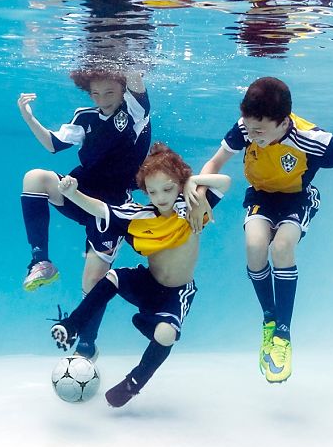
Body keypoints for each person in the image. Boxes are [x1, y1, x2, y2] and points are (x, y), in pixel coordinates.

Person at [190, 76, 333, 383]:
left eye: (259, 131)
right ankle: (270, 321)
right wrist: (201, 195)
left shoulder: (309, 138)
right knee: (254, 247)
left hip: (297, 199)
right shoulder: (246, 127)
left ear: (282, 121)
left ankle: (283, 337)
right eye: (249, 128)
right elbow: (215, 162)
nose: (252, 135)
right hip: (261, 195)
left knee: (282, 247)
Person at [49, 142, 231, 407]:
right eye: (153, 191)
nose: (161, 197)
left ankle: (134, 381)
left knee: (166, 335)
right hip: (148, 283)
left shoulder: (193, 206)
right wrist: (74, 194)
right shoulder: (140, 215)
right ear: (145, 191)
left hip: (177, 292)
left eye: (168, 188)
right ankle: (72, 324)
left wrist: (193, 181)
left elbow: (224, 181)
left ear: (179, 184)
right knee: (111, 278)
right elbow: (101, 209)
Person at [18, 67, 151, 360]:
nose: (102, 99)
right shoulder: (85, 117)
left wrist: (127, 58)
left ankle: (87, 346)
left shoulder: (135, 114)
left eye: (110, 92)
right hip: (77, 191)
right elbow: (53, 145)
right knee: (34, 178)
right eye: (96, 93)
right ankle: (41, 261)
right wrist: (29, 117)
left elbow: (136, 80)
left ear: (123, 89)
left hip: (111, 209)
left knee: (92, 282)